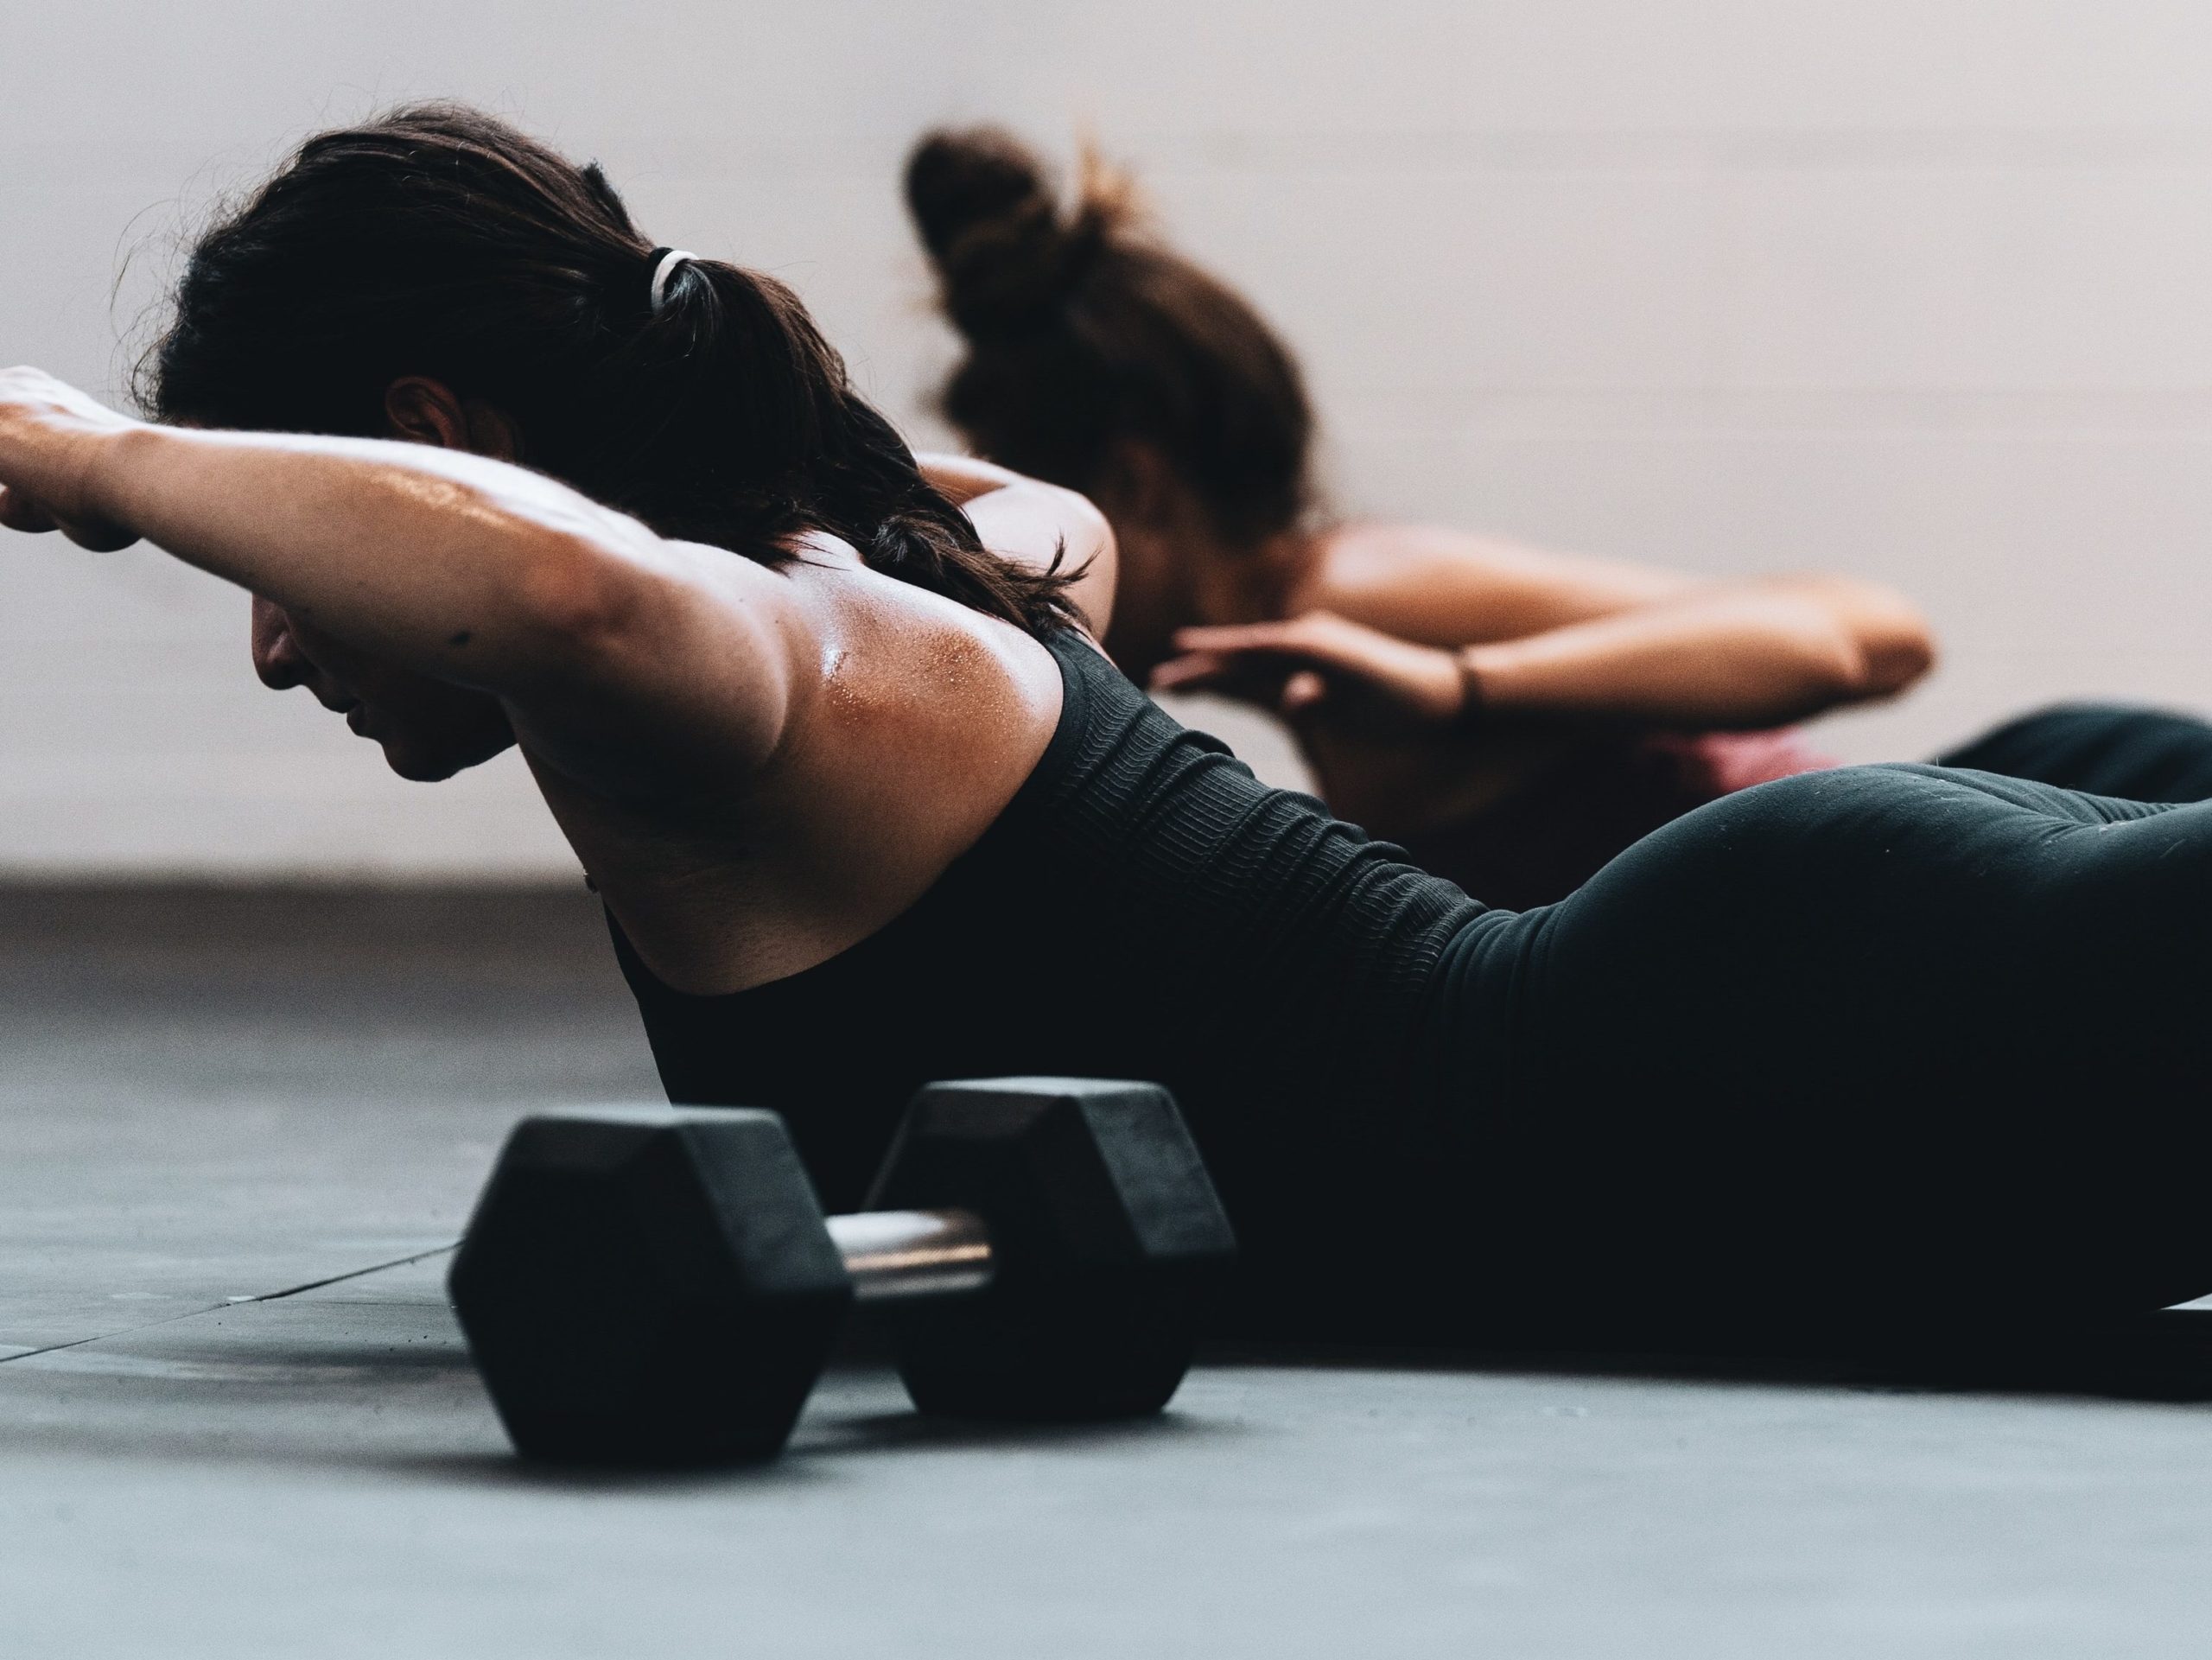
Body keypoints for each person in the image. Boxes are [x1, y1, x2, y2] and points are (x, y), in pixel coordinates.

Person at [4, 105, 2209, 1348]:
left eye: (281, 550)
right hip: (1763, 1067)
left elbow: (556, 577)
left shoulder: (746, 671)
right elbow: (633, 528)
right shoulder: (961, 558)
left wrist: (93, 461)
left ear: (423, 439)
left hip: (1742, 1066)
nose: (281, 642)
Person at [903, 128, 2212, 908]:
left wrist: (1465, 688)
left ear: (1133, 486)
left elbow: (1870, 637)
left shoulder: (1360, 596)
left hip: (2019, 845)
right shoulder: (1322, 667)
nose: (1014, 579)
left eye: (1026, 523)